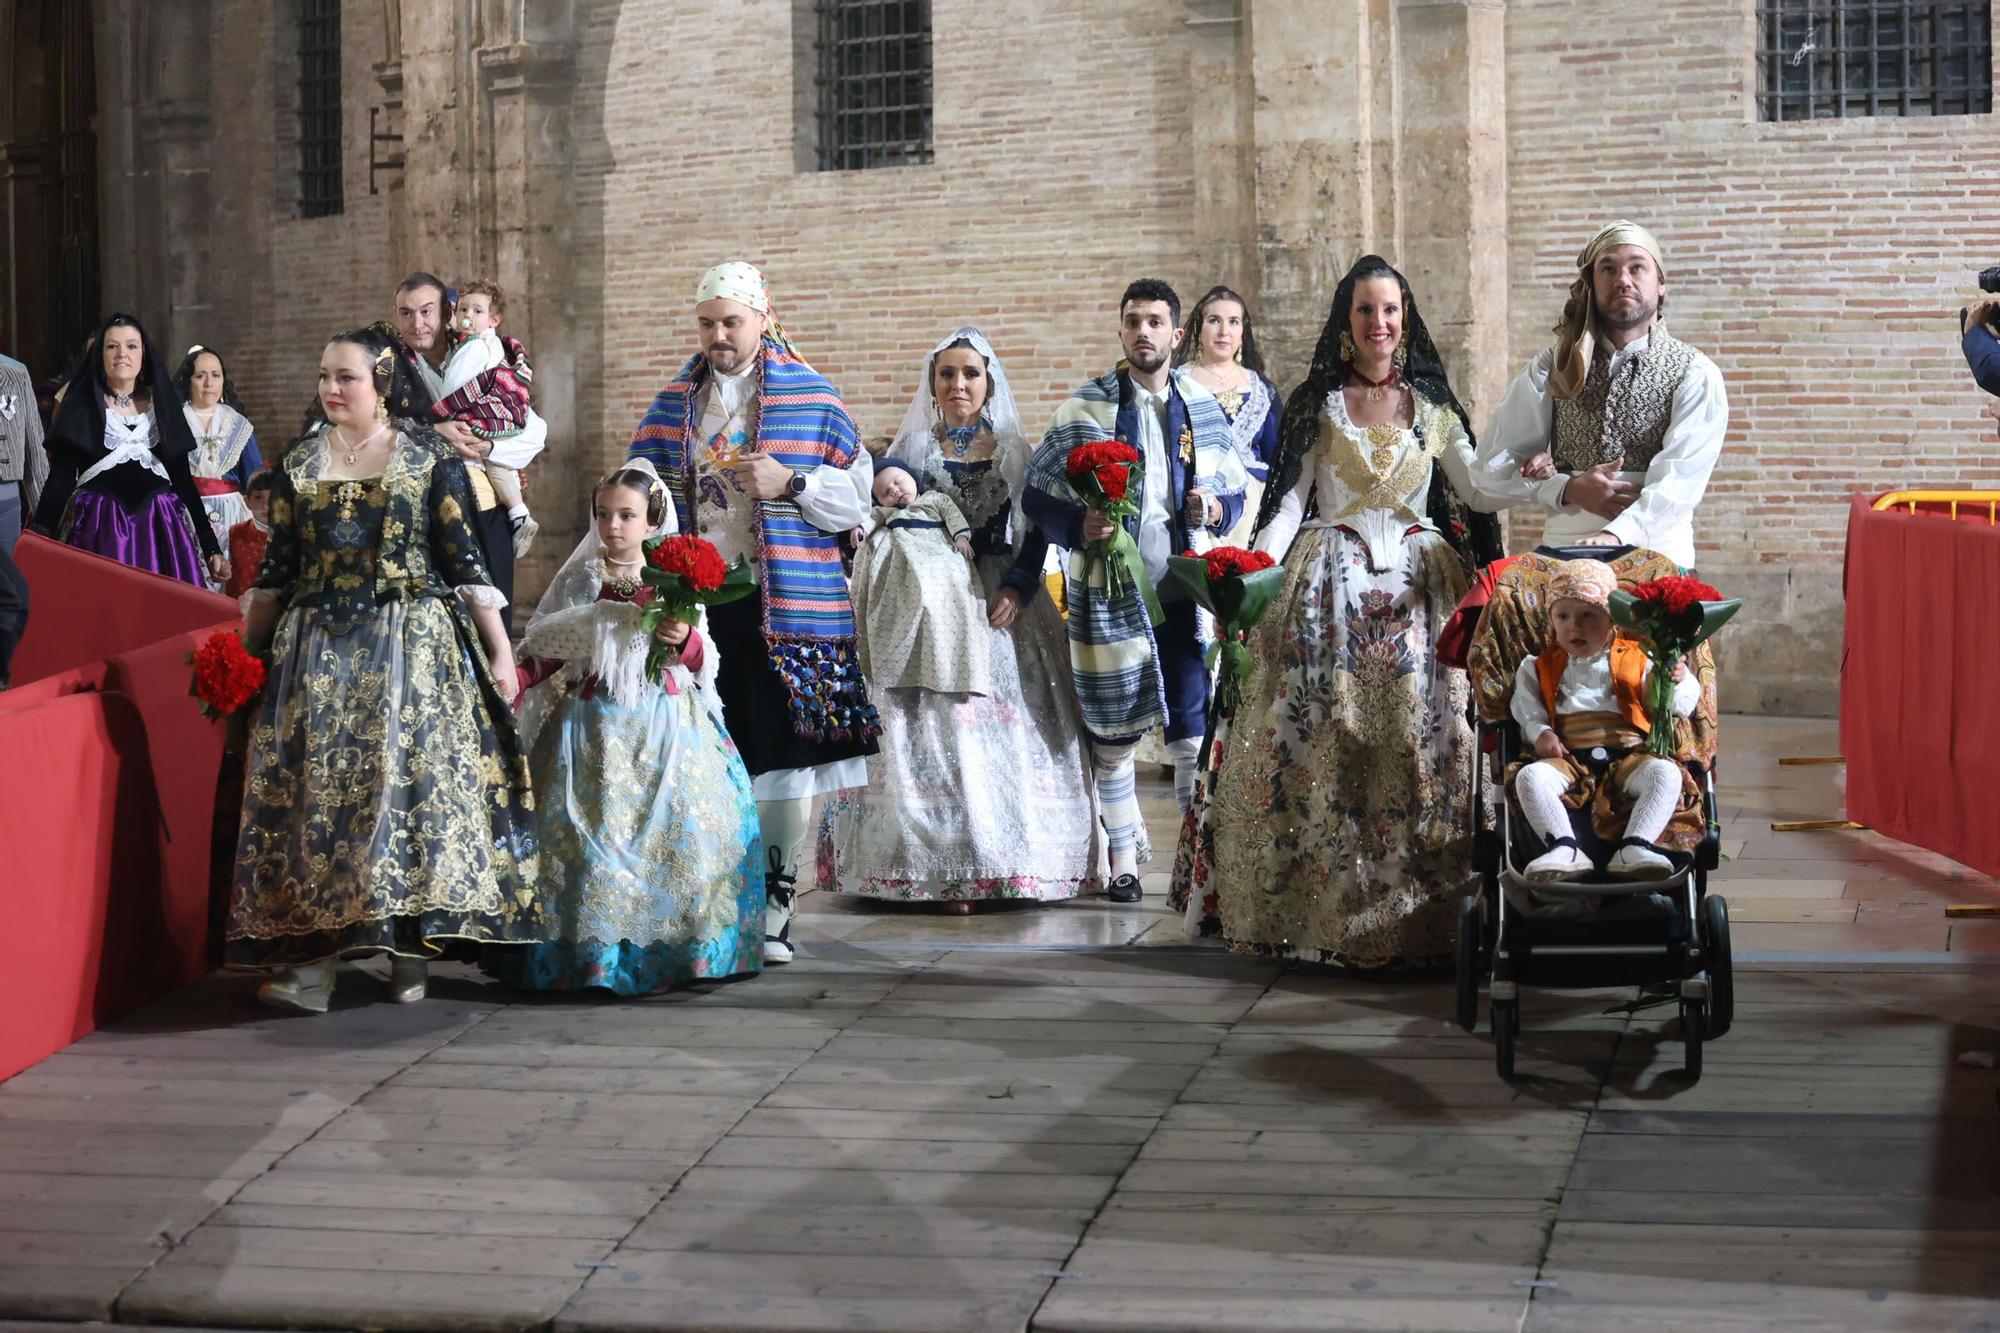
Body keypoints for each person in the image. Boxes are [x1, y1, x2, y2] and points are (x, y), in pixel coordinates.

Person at [1174, 255, 1502, 966]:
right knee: (1319, 736)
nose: (1378, 323)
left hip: (1420, 590)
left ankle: (1428, 916)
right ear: (1345, 322)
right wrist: (1254, 574)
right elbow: (1290, 503)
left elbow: (1475, 491)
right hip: (1328, 589)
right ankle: (1314, 911)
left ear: (1404, 319)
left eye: (1389, 310)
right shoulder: (1318, 405)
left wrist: (1543, 480)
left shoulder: (1435, 409)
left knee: (1428, 742)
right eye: (1364, 310)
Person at [224, 325, 539, 1014]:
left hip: (409, 647)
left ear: (382, 383)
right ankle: (315, 966)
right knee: (318, 804)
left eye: (346, 377)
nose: (331, 389)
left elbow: (464, 562)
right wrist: (247, 659)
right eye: (324, 377)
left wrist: (502, 652)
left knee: (404, 795)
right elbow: (276, 574)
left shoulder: (427, 458)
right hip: (315, 655)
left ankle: (408, 952)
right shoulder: (300, 463)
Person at [627, 261, 879, 964]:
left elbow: (857, 500)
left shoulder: (813, 397)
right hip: (700, 603)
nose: (718, 335)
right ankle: (707, 896)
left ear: (763, 320)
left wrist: (790, 480)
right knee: (704, 752)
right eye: (706, 323)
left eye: (731, 322)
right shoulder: (675, 401)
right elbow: (639, 487)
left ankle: (775, 904)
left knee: (780, 763)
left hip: (787, 602)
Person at [818, 329, 1105, 908]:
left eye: (970, 373)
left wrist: (1022, 588)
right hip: (927, 603)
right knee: (924, 723)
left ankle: (1009, 861)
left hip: (1001, 595)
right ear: (932, 384)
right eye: (946, 374)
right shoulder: (913, 453)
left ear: (989, 381)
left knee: (1008, 722)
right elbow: (888, 515)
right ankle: (927, 866)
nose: (958, 385)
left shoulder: (1014, 452)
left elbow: (1036, 530)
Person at [489, 462, 764, 994]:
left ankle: (678, 951)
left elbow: (703, 660)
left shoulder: (676, 581)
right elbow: (554, 648)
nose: (613, 525)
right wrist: (518, 680)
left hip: (663, 727)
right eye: (604, 514)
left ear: (651, 519)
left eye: (627, 515)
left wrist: (681, 635)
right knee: (593, 836)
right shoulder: (582, 579)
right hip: (590, 730)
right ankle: (592, 957)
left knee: (674, 832)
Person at [1023, 280, 1246, 904]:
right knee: (1114, 731)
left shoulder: (1204, 406)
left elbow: (1234, 492)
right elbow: (1037, 496)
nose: (1143, 332)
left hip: (1183, 590)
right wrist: (1076, 525)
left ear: (1178, 335)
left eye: (1155, 322)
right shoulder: (1084, 408)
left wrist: (1215, 508)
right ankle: (1122, 859)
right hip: (1109, 588)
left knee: (1188, 730)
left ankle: (1194, 865)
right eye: (1132, 322)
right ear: (1121, 331)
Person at [1473, 221, 1727, 570]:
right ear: (1591, 284)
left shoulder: (1695, 372)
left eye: (1637, 267)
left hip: (1658, 558)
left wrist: (1614, 536)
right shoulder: (1553, 367)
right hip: (1564, 558)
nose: (1623, 279)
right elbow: (1487, 473)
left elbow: (1679, 482)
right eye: (1608, 268)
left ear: (1661, 283)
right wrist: (1566, 489)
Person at [1509, 558, 1700, 881]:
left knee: (1666, 774)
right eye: (1563, 616)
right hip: (1568, 757)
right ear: (1552, 620)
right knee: (1529, 778)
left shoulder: (1640, 656)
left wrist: (1677, 678)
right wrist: (1539, 731)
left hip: (1630, 754)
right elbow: (1526, 706)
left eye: (1588, 616)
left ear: (1611, 619)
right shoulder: (1538, 665)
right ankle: (1564, 846)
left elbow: (1679, 704)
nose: (1574, 626)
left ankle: (1635, 845)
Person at [389, 273, 544, 625]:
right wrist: (433, 431)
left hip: (483, 508)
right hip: (417, 514)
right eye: (406, 313)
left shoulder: (486, 355)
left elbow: (534, 432)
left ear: (448, 312)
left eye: (427, 311)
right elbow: (369, 431)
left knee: (492, 623)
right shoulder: (389, 366)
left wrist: (487, 445)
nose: (417, 323)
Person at [31, 314, 227, 588]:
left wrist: (210, 547)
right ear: (99, 355)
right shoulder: (81, 407)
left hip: (161, 534)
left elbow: (183, 480)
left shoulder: (162, 407)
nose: (122, 354)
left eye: (131, 346)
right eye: (112, 346)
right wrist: (37, 539)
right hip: (98, 533)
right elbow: (60, 480)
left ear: (144, 354)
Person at [852, 457, 990, 696]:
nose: (895, 490)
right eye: (886, 492)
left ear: (912, 477)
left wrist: (960, 536)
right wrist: (860, 529)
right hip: (908, 553)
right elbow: (871, 517)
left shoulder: (934, 499)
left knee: (952, 582)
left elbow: (952, 515)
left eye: (898, 481)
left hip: (939, 550)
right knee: (916, 594)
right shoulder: (887, 512)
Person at [436, 279, 543, 556]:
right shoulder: (474, 344)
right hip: (497, 418)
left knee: (493, 459)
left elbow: (455, 388)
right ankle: (519, 513)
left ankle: (519, 514)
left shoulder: (476, 347)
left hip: (485, 415)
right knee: (496, 462)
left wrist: (441, 413)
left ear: (494, 319)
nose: (467, 316)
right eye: (463, 310)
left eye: (477, 311)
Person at [1176, 285, 1283, 545]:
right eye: (1214, 321)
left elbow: (1278, 454)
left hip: (1253, 504)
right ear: (1199, 329)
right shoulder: (1179, 383)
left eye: (1233, 321)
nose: (1224, 331)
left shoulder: (1260, 389)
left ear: (1242, 330)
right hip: (1194, 495)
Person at [175, 344, 264, 579]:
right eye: (200, 376)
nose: (209, 383)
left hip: (233, 515)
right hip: (186, 513)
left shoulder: (238, 425)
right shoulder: (173, 423)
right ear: (188, 381)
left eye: (216, 375)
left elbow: (254, 478)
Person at [0, 350, 45, 553]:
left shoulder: (17, 373)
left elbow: (35, 447)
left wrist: (45, 515)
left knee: (10, 582)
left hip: (7, 506)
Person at [223, 469, 273, 600]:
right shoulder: (235, 533)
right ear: (247, 501)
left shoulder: (293, 536)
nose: (266, 505)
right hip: (239, 609)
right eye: (258, 497)